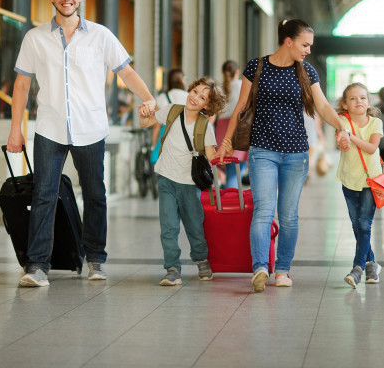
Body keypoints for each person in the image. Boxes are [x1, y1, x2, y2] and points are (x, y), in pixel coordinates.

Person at [6, 0, 156, 287]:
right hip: (49, 126)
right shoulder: (35, 38)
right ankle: (36, 266)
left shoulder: (101, 36)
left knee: (95, 194)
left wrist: (149, 98)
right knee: (43, 194)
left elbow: (125, 73)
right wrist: (15, 129)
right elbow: (21, 86)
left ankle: (96, 259)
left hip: (91, 127)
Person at [216, 19, 350, 292]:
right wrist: (227, 141)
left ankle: (283, 269)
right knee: (264, 211)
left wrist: (341, 126)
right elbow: (241, 107)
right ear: (288, 41)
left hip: (296, 153)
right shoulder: (257, 67)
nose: (308, 51)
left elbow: (322, 105)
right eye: (304, 44)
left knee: (288, 215)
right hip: (262, 150)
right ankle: (260, 268)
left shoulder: (306, 71)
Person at [139, 77, 226, 285]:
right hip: (166, 179)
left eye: (202, 97)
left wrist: (225, 151)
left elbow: (211, 157)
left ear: (208, 105)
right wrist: (143, 114)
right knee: (169, 227)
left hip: (189, 184)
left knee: (194, 226)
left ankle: (201, 259)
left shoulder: (205, 126)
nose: (195, 98)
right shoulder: (172, 111)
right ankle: (172, 268)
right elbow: (146, 123)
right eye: (195, 91)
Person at [334, 82, 383, 288]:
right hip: (349, 179)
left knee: (364, 224)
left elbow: (372, 148)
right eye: (353, 99)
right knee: (357, 225)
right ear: (345, 104)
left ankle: (357, 269)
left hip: (371, 180)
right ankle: (372, 264)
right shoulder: (341, 121)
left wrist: (350, 136)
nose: (358, 102)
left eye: (362, 98)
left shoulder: (375, 123)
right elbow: (341, 140)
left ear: (369, 102)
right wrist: (342, 137)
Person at [215, 60, 248, 188]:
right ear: (238, 72)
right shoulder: (243, 86)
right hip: (239, 130)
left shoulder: (220, 89)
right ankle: (232, 203)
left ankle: (227, 199)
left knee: (229, 171)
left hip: (222, 129)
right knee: (235, 172)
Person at [151, 68, 188, 164]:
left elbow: (157, 125)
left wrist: (154, 144)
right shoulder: (189, 98)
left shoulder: (161, 99)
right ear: (182, 80)